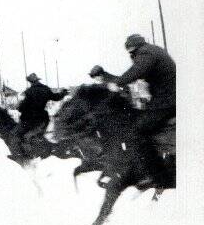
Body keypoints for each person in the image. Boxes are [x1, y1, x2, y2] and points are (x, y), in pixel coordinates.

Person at [89, 34, 176, 182]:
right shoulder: (154, 50)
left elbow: (136, 71)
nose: (131, 56)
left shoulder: (146, 53)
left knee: (137, 131)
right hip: (164, 99)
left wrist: (118, 83)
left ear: (133, 48)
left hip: (166, 101)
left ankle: (158, 176)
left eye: (130, 53)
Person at [11, 73, 68, 159]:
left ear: (30, 82)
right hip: (43, 119)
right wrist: (63, 93)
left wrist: (19, 107)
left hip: (29, 120)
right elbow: (56, 97)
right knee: (38, 136)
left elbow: (22, 107)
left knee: (15, 134)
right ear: (38, 80)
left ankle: (20, 156)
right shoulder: (45, 89)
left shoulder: (29, 92)